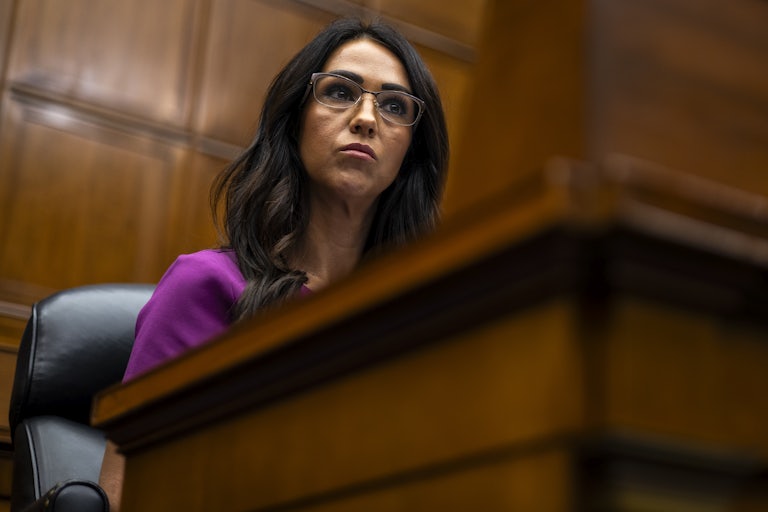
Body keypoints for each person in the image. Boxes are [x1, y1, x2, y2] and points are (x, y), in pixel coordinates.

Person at [99, 16, 448, 511]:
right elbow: (124, 494)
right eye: (341, 92)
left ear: (410, 154)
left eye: (394, 105)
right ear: (294, 120)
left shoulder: (419, 319)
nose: (367, 118)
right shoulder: (206, 286)